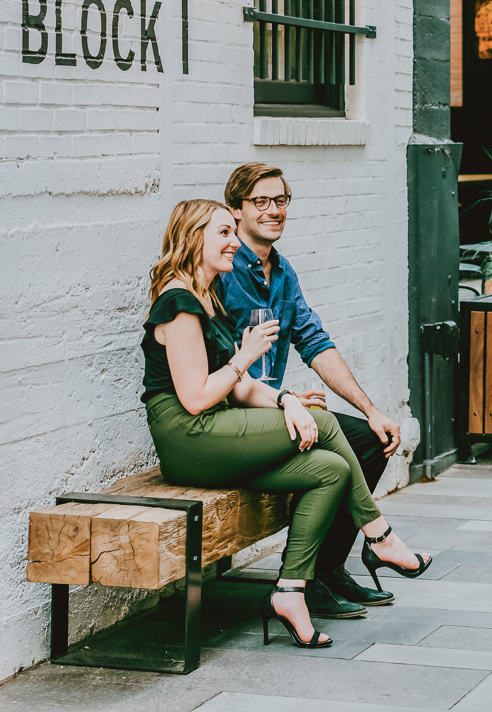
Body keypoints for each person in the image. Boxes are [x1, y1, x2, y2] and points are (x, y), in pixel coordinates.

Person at [140, 199, 432, 649]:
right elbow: (197, 398)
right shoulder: (178, 303)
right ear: (192, 237)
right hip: (190, 437)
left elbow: (238, 389)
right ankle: (379, 534)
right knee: (324, 423)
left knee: (329, 472)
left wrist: (284, 399)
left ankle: (290, 592)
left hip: (218, 428)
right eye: (223, 233)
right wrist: (246, 355)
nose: (234, 242)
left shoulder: (207, 295)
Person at [218, 163, 403, 619]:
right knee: (332, 458)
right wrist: (284, 400)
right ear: (236, 210)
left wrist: (371, 409)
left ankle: (328, 570)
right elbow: (218, 362)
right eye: (259, 201)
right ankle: (307, 578)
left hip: (275, 408)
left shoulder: (282, 272)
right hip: (233, 416)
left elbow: (315, 343)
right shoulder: (223, 270)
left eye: (280, 201)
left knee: (371, 439)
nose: (273, 210)